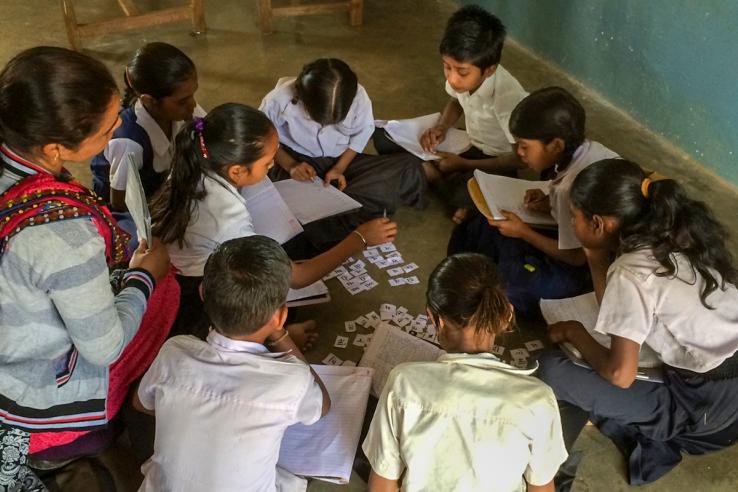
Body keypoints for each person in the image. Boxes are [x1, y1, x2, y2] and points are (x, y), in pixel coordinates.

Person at [0, 46, 173, 486]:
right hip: (26, 393)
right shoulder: (63, 233)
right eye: (107, 126)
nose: (120, 126)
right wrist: (142, 278)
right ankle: (78, 433)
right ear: (56, 147)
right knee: (166, 287)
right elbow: (103, 347)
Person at [537, 159, 738, 486]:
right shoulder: (673, 232)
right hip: (726, 387)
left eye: (573, 216)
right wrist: (593, 254)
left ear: (599, 223)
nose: (569, 223)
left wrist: (575, 332)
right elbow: (617, 309)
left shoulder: (630, 270)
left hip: (707, 409)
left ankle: (544, 476)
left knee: (550, 368)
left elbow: (620, 374)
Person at [150, 102, 397, 339]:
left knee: (297, 241)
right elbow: (298, 277)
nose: (271, 167)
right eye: (267, 163)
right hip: (198, 299)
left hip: (183, 267)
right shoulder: (226, 218)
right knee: (275, 288)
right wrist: (360, 238)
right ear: (236, 171)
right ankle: (271, 338)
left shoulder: (197, 160)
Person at [135, 236, 330, 492]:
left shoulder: (175, 351)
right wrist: (280, 335)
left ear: (202, 293)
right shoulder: (291, 381)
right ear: (280, 316)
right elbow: (322, 406)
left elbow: (141, 402)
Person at [362, 253, 567, 492]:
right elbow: (541, 487)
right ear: (506, 315)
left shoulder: (403, 383)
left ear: (434, 319)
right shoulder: (538, 400)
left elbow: (381, 485)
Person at [448, 87, 618, 318]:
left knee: (514, 285)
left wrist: (524, 232)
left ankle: (481, 276)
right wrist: (549, 201)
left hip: (591, 269)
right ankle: (470, 274)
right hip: (576, 244)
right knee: (481, 223)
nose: (519, 153)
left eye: (525, 146)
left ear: (556, 146)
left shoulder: (571, 188)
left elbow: (578, 257)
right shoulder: (590, 150)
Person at [373, 5, 527, 223]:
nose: (453, 79)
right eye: (447, 67)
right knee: (383, 136)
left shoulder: (508, 99)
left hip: (497, 161)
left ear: (489, 69)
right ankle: (438, 177)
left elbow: (520, 161)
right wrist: (442, 127)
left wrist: (464, 165)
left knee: (463, 193)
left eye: (461, 71)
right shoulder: (463, 78)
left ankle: (435, 178)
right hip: (470, 144)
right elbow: (457, 101)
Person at [259, 58, 425, 248]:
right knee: (272, 197)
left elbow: (361, 135)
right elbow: (264, 138)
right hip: (293, 158)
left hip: (341, 158)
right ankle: (347, 218)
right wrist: (291, 166)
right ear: (302, 95)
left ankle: (333, 218)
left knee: (407, 166)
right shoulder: (279, 99)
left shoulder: (359, 96)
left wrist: (339, 168)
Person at [91, 42, 205, 209]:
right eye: (182, 101)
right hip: (128, 211)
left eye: (193, 95)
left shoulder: (178, 109)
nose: (193, 104)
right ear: (149, 101)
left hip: (157, 193)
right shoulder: (129, 142)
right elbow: (119, 204)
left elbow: (210, 129)